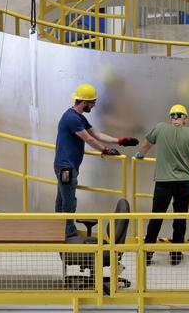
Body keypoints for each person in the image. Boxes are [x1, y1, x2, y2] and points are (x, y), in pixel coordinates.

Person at [54, 83, 139, 239]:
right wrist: (104, 150)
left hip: (66, 166)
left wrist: (119, 140)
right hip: (66, 168)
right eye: (92, 102)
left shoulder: (78, 117)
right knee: (68, 202)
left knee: (62, 200)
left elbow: (96, 134)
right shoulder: (72, 118)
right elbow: (88, 138)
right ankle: (69, 234)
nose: (93, 106)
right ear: (84, 102)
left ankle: (60, 231)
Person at [138, 104, 189, 265]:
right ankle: (176, 255)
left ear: (171, 117)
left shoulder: (160, 128)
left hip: (163, 182)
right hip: (183, 183)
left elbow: (144, 145)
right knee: (180, 218)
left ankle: (147, 255)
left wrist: (140, 156)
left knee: (156, 217)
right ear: (185, 119)